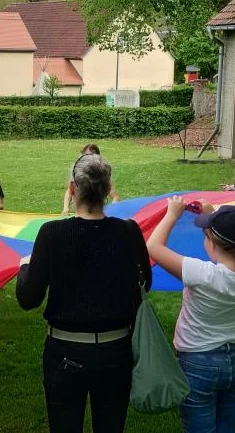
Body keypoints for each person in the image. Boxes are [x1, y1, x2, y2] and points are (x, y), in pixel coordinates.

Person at [18, 153, 151, 433]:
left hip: (65, 352)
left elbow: (28, 299)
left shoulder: (52, 233)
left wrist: (25, 268)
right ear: (106, 190)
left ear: (72, 189)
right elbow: (144, 285)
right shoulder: (128, 231)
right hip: (116, 351)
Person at [146, 198, 235, 433]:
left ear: (212, 243)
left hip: (200, 363)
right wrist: (213, 214)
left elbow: (153, 247)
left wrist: (171, 214)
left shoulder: (202, 274)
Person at [61, 144, 119, 214]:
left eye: (92, 156)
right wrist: (65, 208)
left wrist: (109, 210)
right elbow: (69, 190)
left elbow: (115, 197)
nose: (89, 160)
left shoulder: (102, 173)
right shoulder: (77, 170)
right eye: (86, 156)